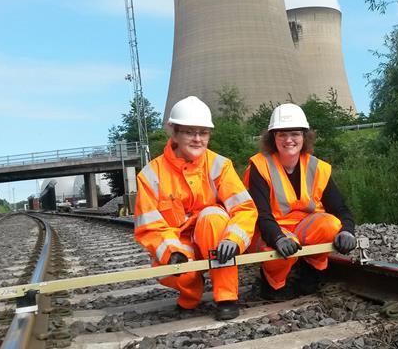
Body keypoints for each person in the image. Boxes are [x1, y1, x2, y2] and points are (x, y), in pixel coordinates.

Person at [134, 96, 258, 320]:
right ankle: (191, 294)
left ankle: (227, 297)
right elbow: (150, 227)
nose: (198, 139)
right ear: (175, 133)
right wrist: (173, 253)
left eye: (203, 133)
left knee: (212, 217)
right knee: (176, 272)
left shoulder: (219, 165)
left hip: (214, 241)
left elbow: (245, 209)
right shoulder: (151, 175)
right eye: (190, 132)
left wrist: (233, 239)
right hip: (180, 247)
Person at [244, 103, 357, 300]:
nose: (289, 140)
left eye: (295, 134)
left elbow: (340, 209)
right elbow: (261, 214)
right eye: (282, 134)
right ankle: (273, 284)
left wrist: (347, 231)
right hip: (268, 230)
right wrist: (278, 238)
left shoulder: (318, 167)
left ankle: (309, 273)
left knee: (331, 224)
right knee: (275, 249)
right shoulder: (259, 167)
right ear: (273, 138)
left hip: (302, 229)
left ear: (304, 137)